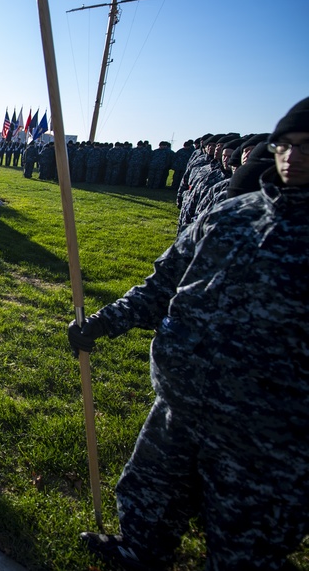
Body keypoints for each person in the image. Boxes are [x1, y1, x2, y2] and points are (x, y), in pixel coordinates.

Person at [68, 97, 309, 569]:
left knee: (247, 547)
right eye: (286, 144)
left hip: (265, 435)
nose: (294, 157)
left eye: (308, 146)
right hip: (181, 404)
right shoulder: (229, 217)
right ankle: (139, 551)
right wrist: (101, 323)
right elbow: (162, 286)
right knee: (149, 493)